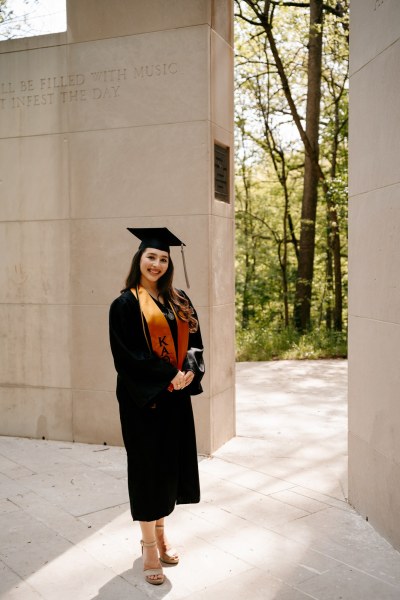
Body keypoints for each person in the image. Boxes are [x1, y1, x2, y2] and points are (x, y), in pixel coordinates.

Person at [109, 227, 204, 586]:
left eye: (163, 259)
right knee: (148, 470)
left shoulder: (180, 301)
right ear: (140, 259)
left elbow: (196, 344)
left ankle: (163, 534)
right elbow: (128, 357)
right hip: (143, 401)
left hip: (176, 398)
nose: (157, 264)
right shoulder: (125, 305)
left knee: (169, 468)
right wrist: (168, 375)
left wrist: (190, 373)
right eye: (151, 257)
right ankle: (149, 546)